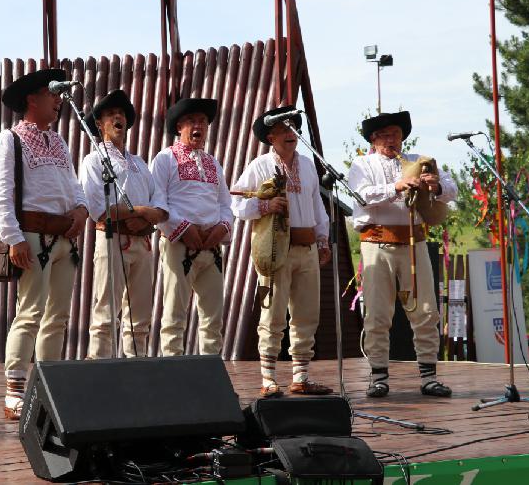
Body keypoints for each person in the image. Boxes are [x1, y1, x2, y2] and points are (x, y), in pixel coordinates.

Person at [0, 68, 88, 419]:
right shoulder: (9, 140)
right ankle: (14, 389)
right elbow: (0, 194)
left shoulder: (58, 141)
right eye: (52, 94)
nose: (59, 99)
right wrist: (13, 238)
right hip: (32, 235)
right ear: (32, 99)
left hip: (64, 237)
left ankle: (49, 385)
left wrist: (80, 208)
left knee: (58, 316)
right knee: (30, 311)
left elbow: (74, 185)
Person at [347, 111, 457, 398]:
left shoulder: (418, 160)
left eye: (395, 133)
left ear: (403, 136)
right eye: (383, 135)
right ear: (373, 139)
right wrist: (395, 187)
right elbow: (361, 195)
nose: (390, 139)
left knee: (426, 311)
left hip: (414, 243)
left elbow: (453, 190)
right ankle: (379, 377)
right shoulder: (362, 164)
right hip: (377, 243)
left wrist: (436, 185)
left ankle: (429, 376)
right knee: (378, 314)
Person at [231, 106, 333, 397]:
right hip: (276, 249)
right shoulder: (259, 165)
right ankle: (268, 378)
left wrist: (323, 240)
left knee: (307, 313)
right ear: (271, 136)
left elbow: (317, 208)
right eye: (283, 129)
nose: (290, 133)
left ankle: (301, 376)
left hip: (307, 247)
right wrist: (265, 206)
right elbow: (235, 203)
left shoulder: (310, 166)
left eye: (293, 128)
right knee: (272, 313)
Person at [79, 90, 167, 358]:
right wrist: (141, 210)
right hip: (112, 239)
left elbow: (160, 205)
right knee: (106, 311)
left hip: (142, 242)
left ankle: (136, 370)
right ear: (99, 124)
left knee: (140, 317)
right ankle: (99, 372)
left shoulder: (140, 162)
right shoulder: (93, 160)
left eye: (122, 114)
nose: (118, 117)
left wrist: (150, 213)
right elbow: (98, 209)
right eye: (110, 114)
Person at [150, 98, 233, 356]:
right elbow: (158, 202)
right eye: (192, 121)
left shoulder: (213, 162)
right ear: (179, 127)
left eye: (203, 122)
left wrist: (221, 228)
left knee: (213, 318)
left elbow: (225, 204)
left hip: (211, 247)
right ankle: (173, 377)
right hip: (179, 245)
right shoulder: (164, 159)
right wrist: (185, 228)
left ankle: (211, 374)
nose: (199, 126)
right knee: (175, 314)